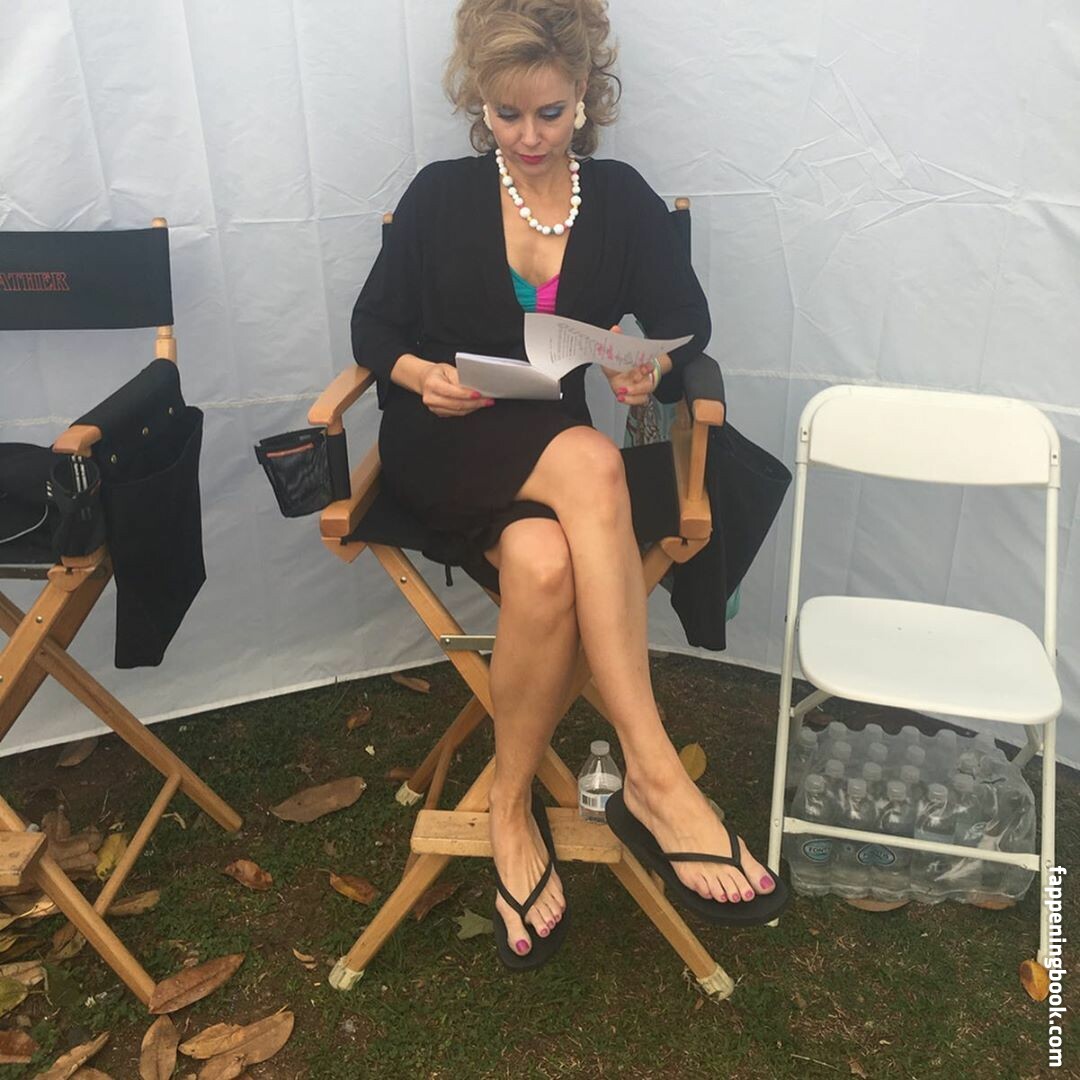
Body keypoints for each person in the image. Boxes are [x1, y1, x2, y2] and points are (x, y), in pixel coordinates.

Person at [352, 0, 787, 969]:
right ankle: (654, 771)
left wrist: (649, 368)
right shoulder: (439, 195)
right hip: (443, 441)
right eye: (506, 114)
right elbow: (372, 328)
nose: (528, 135)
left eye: (549, 112)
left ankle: (509, 807)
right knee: (593, 459)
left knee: (546, 569)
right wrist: (420, 375)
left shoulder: (621, 199)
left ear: (585, 92)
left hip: (546, 447)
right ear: (480, 100)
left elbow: (683, 325)